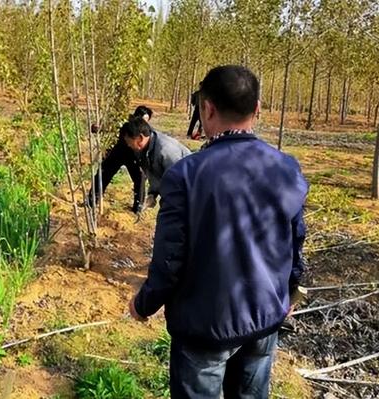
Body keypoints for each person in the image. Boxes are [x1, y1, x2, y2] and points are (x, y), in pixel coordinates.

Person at [129, 65, 308, 398]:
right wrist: (290, 292)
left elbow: (169, 261)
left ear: (206, 108)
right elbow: (295, 241)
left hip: (204, 328)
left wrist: (144, 304)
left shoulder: (185, 176)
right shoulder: (286, 168)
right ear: (257, 109)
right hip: (264, 318)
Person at [86, 105, 153, 213]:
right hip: (118, 153)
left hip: (135, 158)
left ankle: (138, 207)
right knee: (103, 174)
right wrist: (99, 128)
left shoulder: (146, 131)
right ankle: (91, 201)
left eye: (146, 121)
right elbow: (111, 128)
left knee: (140, 178)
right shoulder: (125, 125)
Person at [121, 117, 190, 210]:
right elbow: (154, 173)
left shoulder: (166, 150)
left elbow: (178, 181)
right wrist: (152, 194)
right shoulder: (144, 150)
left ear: (140, 138)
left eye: (129, 142)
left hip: (188, 192)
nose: (129, 145)